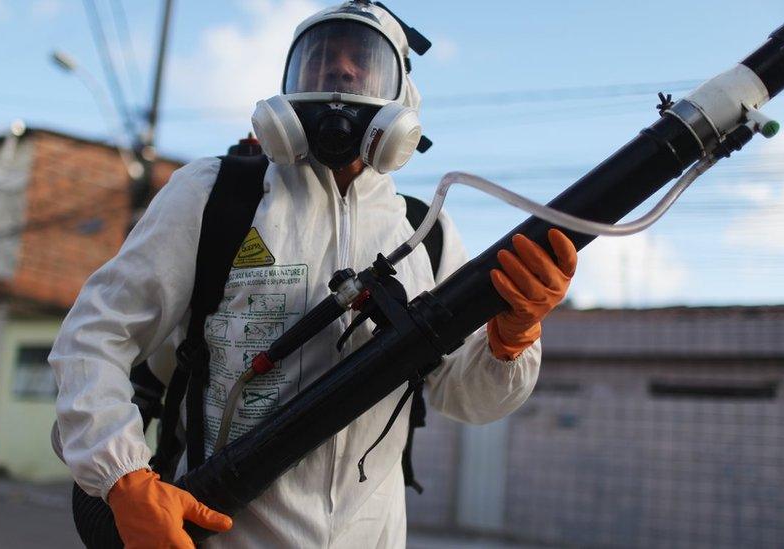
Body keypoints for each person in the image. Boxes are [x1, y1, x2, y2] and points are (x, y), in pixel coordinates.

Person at [50, 2, 577, 548]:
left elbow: (469, 398)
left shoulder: (426, 234)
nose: (342, 71)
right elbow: (94, 335)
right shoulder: (216, 197)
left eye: (363, 61)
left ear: (403, 103)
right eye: (322, 58)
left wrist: (512, 339)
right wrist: (124, 478)